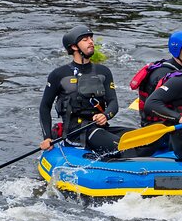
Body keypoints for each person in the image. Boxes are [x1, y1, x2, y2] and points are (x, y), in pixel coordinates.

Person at [39, 25, 133, 156]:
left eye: (91, 38)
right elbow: (45, 106)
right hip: (76, 132)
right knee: (124, 148)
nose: (91, 41)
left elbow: (113, 103)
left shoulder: (103, 72)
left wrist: (105, 115)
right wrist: (47, 137)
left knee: (143, 139)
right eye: (85, 39)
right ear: (74, 47)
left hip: (100, 127)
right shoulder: (59, 75)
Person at [129, 30, 182, 127]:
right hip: (157, 125)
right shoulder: (164, 75)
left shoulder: (178, 69)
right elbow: (155, 106)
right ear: (177, 51)